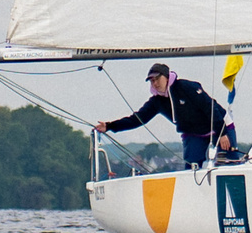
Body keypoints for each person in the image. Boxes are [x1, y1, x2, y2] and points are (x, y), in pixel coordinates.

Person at [98, 63, 231, 168]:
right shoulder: (157, 101)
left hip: (220, 125)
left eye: (157, 79)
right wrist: (110, 126)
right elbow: (137, 119)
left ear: (167, 77)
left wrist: (222, 132)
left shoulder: (186, 87)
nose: (155, 83)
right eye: (151, 81)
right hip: (194, 134)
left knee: (230, 163)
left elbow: (209, 107)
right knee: (192, 169)